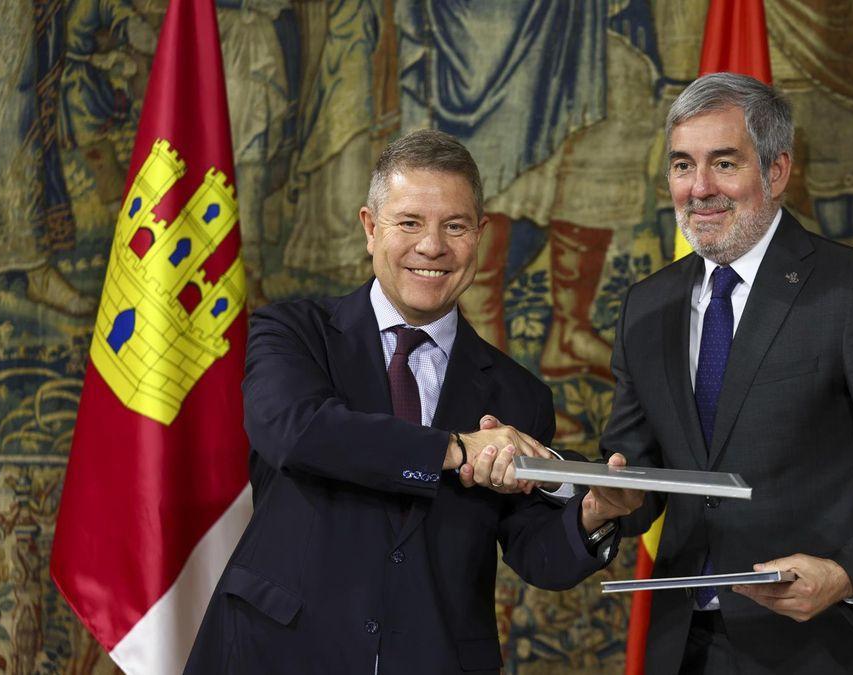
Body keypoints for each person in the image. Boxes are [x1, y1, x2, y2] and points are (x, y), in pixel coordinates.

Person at [186, 130, 642, 673]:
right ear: (369, 228)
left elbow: (534, 553)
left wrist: (591, 516)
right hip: (278, 652)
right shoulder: (293, 331)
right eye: (409, 223)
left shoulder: (517, 394)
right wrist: (456, 449)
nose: (432, 246)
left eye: (454, 226)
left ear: (481, 235)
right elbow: (298, 432)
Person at [601, 73, 853, 673]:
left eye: (724, 163)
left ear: (775, 172)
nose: (699, 189)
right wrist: (600, 496)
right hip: (688, 649)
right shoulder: (648, 305)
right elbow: (635, 475)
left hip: (832, 646)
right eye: (682, 165)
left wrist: (848, 573)